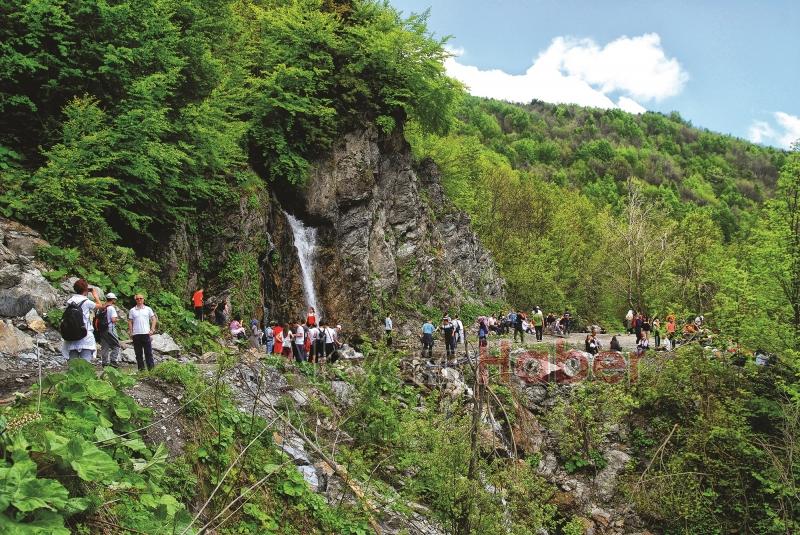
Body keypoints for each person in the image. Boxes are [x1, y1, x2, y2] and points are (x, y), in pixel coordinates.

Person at [61, 279, 102, 362]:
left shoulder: (70, 301)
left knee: (73, 366)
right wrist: (95, 295)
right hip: (85, 336)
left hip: (71, 336)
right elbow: (100, 306)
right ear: (86, 290)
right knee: (85, 365)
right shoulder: (87, 302)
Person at [128, 293, 157, 371]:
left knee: (148, 353)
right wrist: (131, 332)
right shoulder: (132, 310)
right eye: (137, 299)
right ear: (135, 300)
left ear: (143, 299)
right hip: (136, 334)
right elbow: (130, 321)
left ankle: (151, 370)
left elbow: (154, 319)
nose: (139, 300)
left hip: (146, 333)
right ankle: (141, 371)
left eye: (141, 298)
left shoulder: (148, 309)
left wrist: (152, 329)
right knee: (138, 354)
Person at [98, 292, 121, 367]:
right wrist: (118, 320)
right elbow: (113, 319)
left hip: (102, 329)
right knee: (116, 345)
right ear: (113, 299)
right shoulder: (111, 308)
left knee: (105, 346)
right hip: (110, 328)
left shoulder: (102, 307)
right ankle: (113, 361)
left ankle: (104, 363)